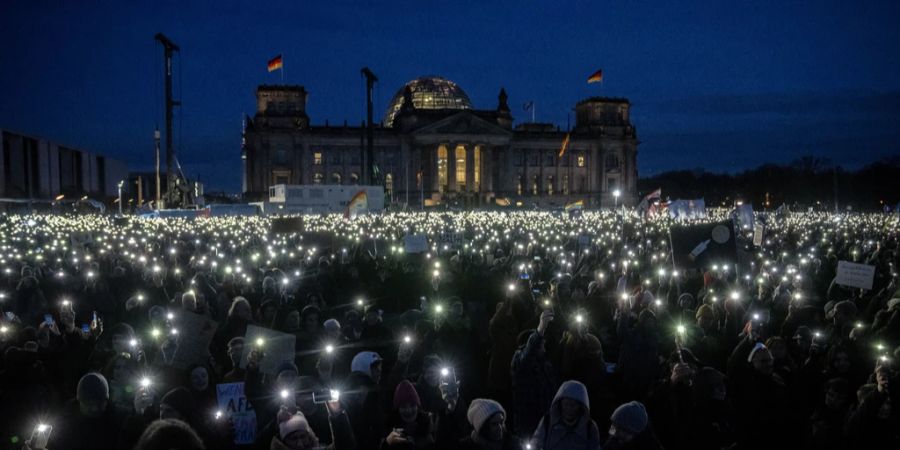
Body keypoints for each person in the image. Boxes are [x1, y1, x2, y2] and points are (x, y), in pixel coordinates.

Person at [532, 380, 601, 450]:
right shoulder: (547, 422)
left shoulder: (590, 427)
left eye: (574, 404)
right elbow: (535, 443)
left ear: (581, 406)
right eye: (566, 403)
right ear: (560, 403)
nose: (569, 408)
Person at [381, 380, 434, 449]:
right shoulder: (389, 428)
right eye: (403, 406)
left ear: (417, 406)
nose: (408, 410)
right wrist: (387, 443)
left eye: (412, 405)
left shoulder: (426, 426)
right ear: (398, 409)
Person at [457, 398, 523, 450]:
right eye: (494, 424)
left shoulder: (513, 444)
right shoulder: (465, 447)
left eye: (501, 422)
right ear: (483, 427)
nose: (500, 427)